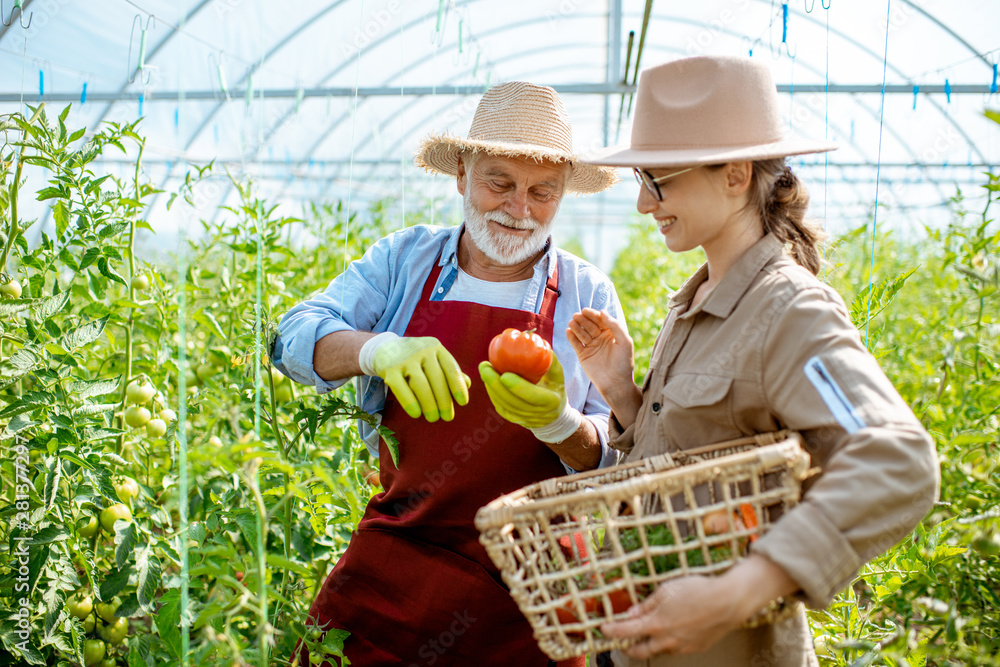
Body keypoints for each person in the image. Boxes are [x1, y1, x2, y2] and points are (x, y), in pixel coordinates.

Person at [566, 55, 940, 666]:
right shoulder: (698, 302)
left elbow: (897, 458)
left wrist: (737, 592)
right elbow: (691, 460)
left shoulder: (788, 309)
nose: (643, 202)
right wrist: (625, 398)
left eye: (659, 179)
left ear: (735, 173)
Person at [272, 81, 626, 666]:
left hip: (529, 583)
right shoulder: (406, 260)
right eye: (500, 183)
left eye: (543, 192)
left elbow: (616, 457)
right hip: (397, 557)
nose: (520, 209)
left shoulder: (586, 293)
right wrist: (375, 350)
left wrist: (562, 425)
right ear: (461, 173)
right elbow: (289, 339)